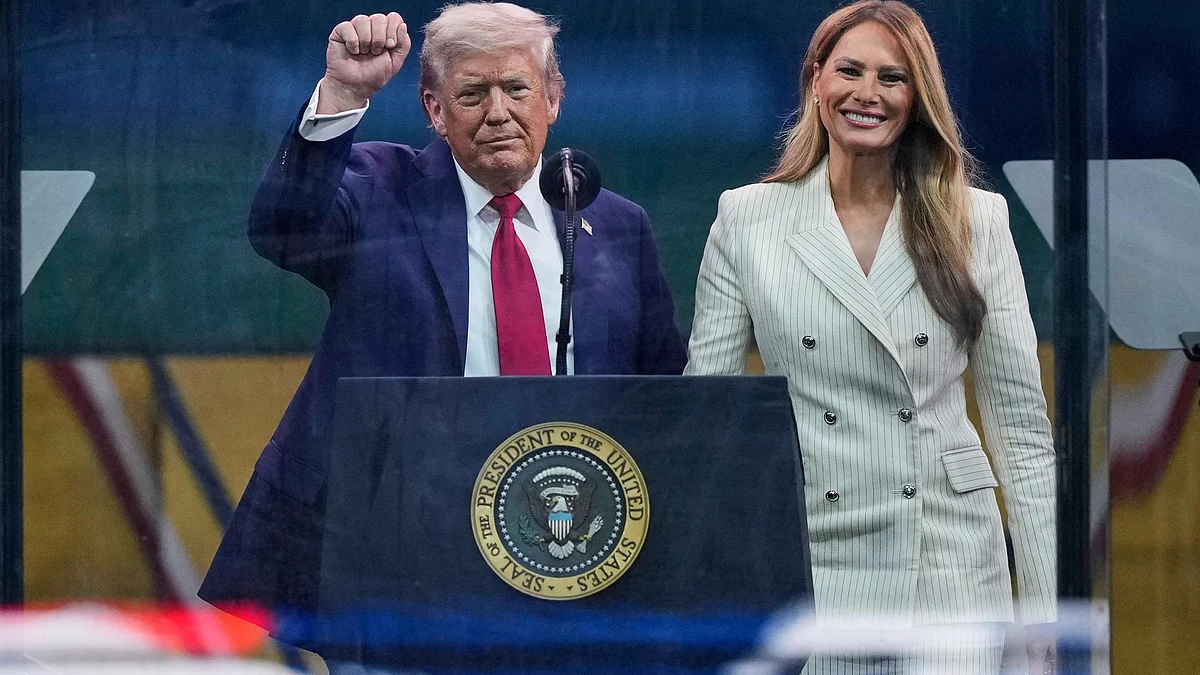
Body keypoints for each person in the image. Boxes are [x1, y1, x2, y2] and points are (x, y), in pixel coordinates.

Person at [199, 2, 686, 617]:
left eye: (517, 88)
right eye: (472, 93)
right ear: (434, 108)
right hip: (387, 545)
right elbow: (285, 229)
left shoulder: (615, 224)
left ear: (552, 100)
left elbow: (663, 400)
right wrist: (345, 91)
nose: (498, 112)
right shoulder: (379, 187)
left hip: (563, 546)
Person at [683, 1, 1056, 672]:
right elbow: (709, 417)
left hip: (948, 561)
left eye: (892, 77)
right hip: (814, 557)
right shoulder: (747, 219)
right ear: (816, 81)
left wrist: (1047, 612)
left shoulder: (977, 219)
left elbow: (1023, 433)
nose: (868, 93)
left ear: (918, 98)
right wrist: (713, 581)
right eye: (850, 70)